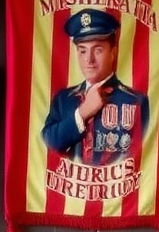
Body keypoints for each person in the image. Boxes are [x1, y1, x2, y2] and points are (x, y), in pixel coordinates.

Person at [42, 9, 149, 166]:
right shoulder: (63, 99)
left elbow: (143, 157)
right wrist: (83, 113)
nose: (89, 60)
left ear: (113, 53)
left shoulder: (135, 101)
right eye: (82, 51)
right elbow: (49, 142)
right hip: (72, 187)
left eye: (98, 50)